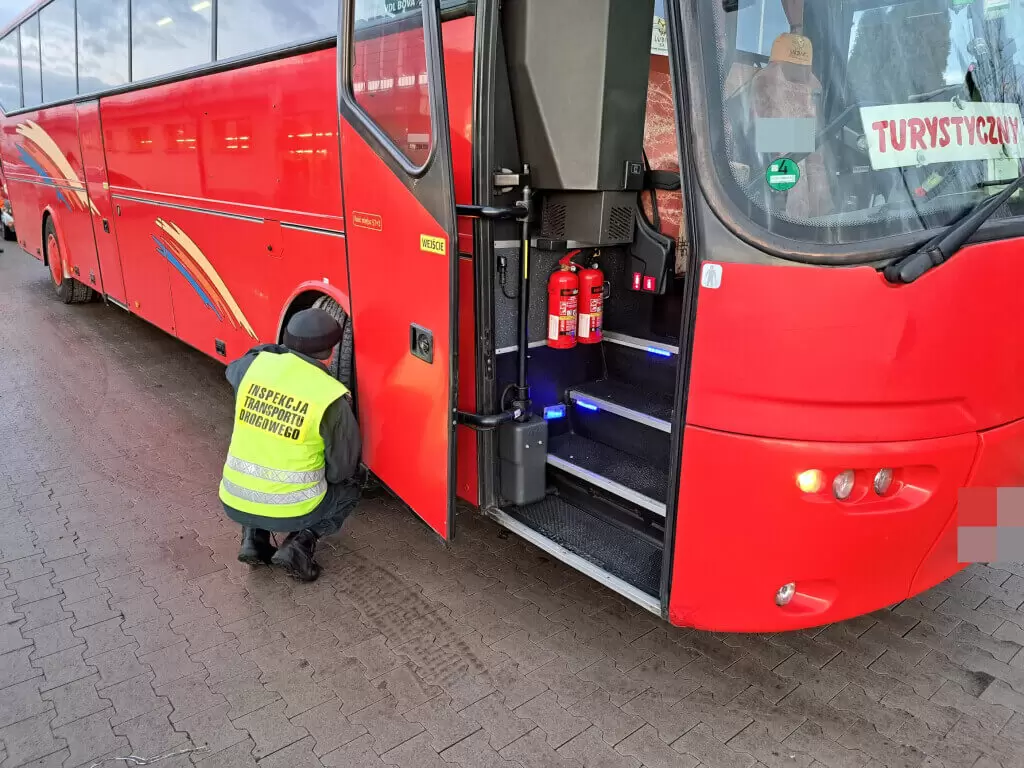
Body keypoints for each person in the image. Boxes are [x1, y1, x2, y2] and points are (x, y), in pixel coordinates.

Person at [219, 308, 361, 582]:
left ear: (286, 339)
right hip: (294, 512)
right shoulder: (330, 397)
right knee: (352, 485)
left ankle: (253, 538)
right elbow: (340, 471)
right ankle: (299, 545)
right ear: (330, 351)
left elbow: (242, 360)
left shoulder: (252, 368)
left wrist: (277, 349)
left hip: (234, 501)